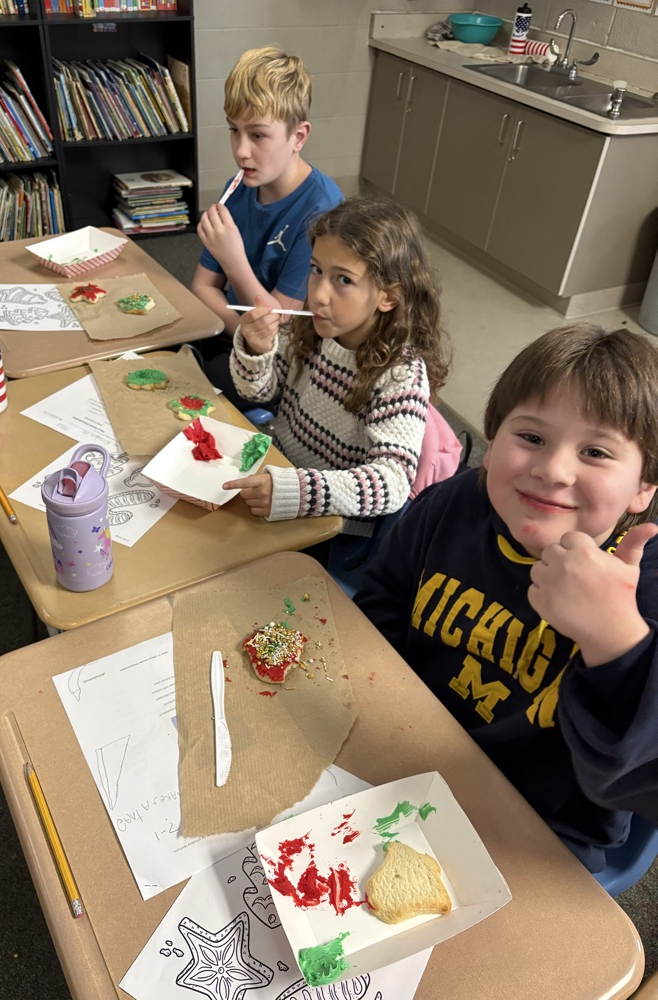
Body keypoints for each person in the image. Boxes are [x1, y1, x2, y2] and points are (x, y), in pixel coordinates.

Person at [354, 322, 658, 872]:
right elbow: (381, 606)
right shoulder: (451, 507)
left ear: (644, 488)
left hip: (536, 832)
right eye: (532, 438)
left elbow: (643, 786)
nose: (552, 470)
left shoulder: (646, 587)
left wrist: (617, 643)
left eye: (595, 451)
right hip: (402, 752)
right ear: (492, 447)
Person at [221, 196, 451, 531]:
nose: (319, 295)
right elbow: (259, 393)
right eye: (316, 270)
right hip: (279, 479)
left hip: (330, 522)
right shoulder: (311, 330)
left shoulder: (401, 375)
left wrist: (299, 492)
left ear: (388, 296)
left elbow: (393, 483)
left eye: (343, 280)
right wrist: (257, 350)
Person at [190, 45, 342, 408]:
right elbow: (201, 287)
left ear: (298, 137)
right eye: (234, 131)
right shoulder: (241, 186)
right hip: (232, 328)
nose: (241, 151)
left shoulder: (321, 210)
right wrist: (239, 328)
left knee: (197, 388)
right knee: (162, 354)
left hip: (278, 358)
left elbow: (278, 324)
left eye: (257, 135)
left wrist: (233, 261)